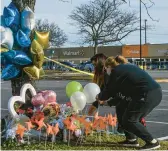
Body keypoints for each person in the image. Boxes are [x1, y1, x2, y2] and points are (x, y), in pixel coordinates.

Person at [98, 56, 162, 150]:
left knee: (130, 120)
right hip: (151, 92)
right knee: (121, 107)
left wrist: (99, 96)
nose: (105, 71)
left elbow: (109, 90)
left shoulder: (116, 71)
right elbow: (120, 96)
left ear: (109, 66)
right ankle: (131, 140)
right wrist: (107, 102)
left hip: (147, 94)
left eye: (105, 68)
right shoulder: (125, 70)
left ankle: (152, 142)